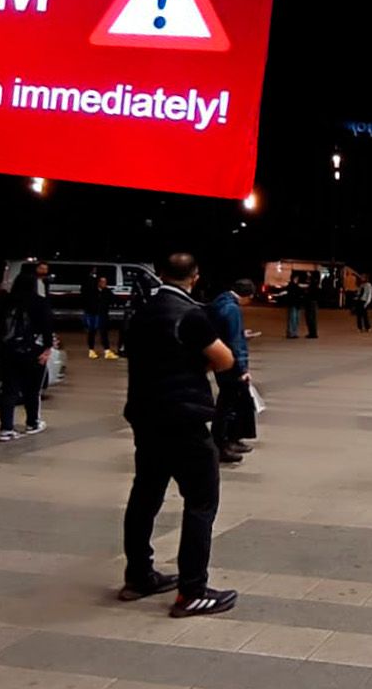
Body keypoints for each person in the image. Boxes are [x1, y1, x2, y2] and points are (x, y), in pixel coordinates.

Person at [117, 252, 238, 618]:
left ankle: (139, 575)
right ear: (195, 276)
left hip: (145, 417)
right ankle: (193, 590)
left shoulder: (141, 314)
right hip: (184, 421)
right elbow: (225, 359)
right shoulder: (190, 315)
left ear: (159, 273)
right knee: (201, 502)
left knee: (145, 495)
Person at [0, 263, 56, 441]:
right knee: (32, 389)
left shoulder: (5, 302)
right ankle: (32, 422)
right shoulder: (39, 302)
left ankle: (6, 428)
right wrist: (47, 349)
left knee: (9, 390)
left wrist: (1, 345)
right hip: (33, 352)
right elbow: (47, 328)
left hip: (8, 351)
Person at [209, 279, 259, 465]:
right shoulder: (232, 309)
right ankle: (221, 443)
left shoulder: (220, 302)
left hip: (221, 358)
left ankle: (226, 440)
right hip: (228, 361)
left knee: (228, 402)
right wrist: (242, 368)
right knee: (227, 404)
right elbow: (234, 342)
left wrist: (241, 334)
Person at [84, 274, 116, 359]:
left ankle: (107, 351)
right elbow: (87, 302)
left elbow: (114, 299)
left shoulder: (107, 291)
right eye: (102, 282)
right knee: (92, 332)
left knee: (104, 333)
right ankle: (91, 350)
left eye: (105, 282)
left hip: (103, 315)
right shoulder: (92, 291)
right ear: (98, 283)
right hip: (93, 314)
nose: (104, 283)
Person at [299, 272, 319, 339]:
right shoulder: (313, 284)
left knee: (310, 318)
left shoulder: (313, 284)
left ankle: (312, 334)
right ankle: (312, 333)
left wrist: (310, 276)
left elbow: (312, 283)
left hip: (310, 303)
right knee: (311, 319)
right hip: (311, 302)